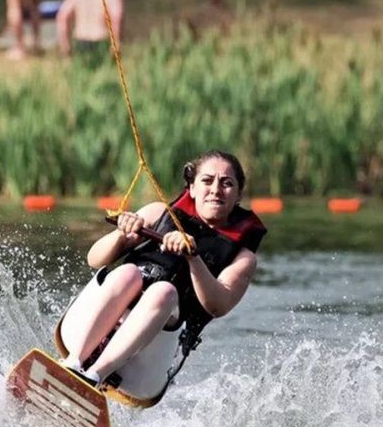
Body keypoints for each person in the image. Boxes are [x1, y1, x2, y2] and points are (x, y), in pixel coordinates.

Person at [56, 151, 267, 403]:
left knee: (163, 292)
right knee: (127, 273)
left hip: (152, 356)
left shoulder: (242, 258)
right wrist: (124, 236)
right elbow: (95, 259)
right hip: (83, 329)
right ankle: (73, 362)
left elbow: (218, 305)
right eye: (207, 181)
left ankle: (95, 376)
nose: (216, 190)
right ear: (191, 188)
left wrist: (193, 258)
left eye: (227, 183)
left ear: (238, 195)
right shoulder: (157, 212)